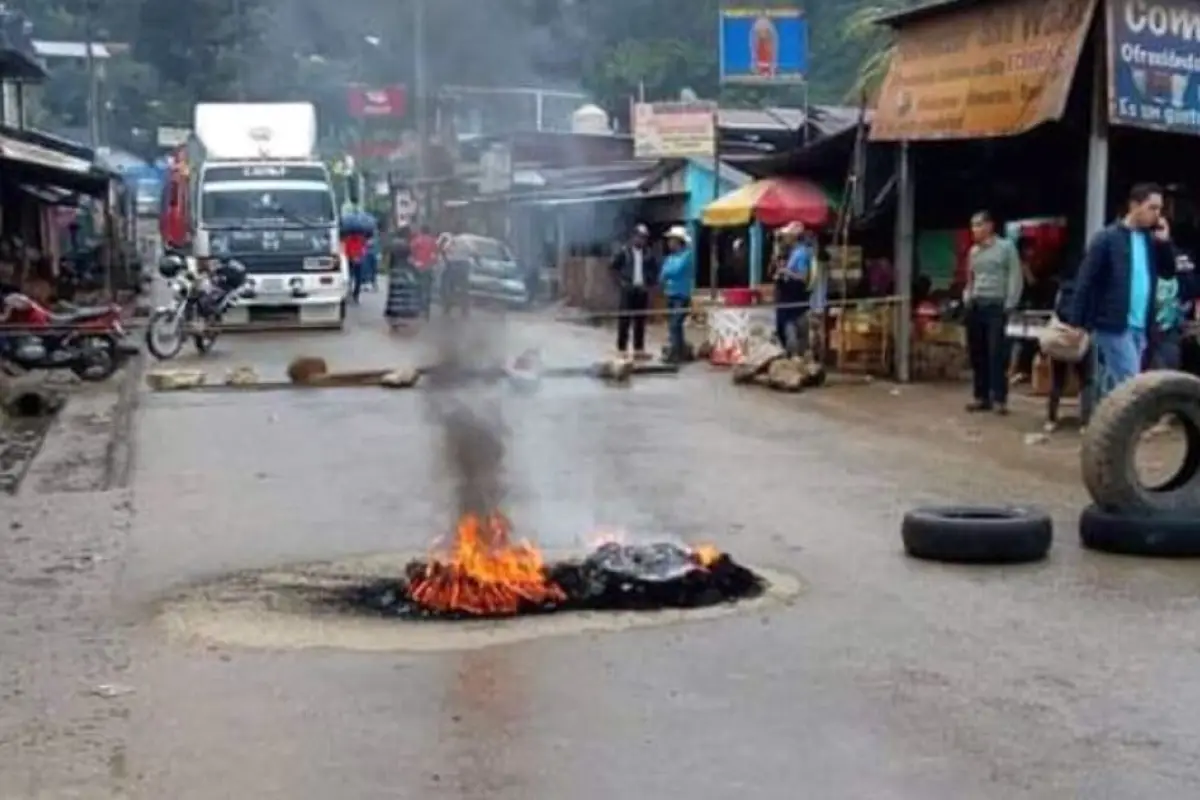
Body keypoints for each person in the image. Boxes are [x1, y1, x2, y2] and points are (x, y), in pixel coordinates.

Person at [1063, 183, 1177, 400]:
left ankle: (1105, 424)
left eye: (1159, 209)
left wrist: (1164, 243)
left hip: (1141, 324)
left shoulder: (1150, 240)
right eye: (1152, 208)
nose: (1157, 214)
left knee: (1114, 384)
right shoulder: (1107, 239)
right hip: (1113, 324)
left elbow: (1169, 272)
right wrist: (1076, 322)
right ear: (1134, 206)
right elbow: (1086, 281)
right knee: (1131, 382)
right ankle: (1131, 428)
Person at [964, 210, 1022, 414]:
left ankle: (999, 398)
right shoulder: (973, 252)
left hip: (997, 305)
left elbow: (1015, 276)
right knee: (977, 353)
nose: (975, 230)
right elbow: (970, 278)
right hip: (976, 304)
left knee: (996, 353)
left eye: (978, 225)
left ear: (990, 226)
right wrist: (967, 297)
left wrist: (1010, 303)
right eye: (972, 226)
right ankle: (981, 396)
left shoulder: (1006, 248)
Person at [1045, 275, 1093, 432]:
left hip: (1062, 336)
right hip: (1081, 336)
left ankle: (1051, 419)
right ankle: (1086, 421)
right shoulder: (1088, 288)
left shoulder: (1063, 289)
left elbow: (1056, 311)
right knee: (1086, 380)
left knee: (1058, 379)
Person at [610, 223, 658, 359]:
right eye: (639, 237)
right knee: (624, 320)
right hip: (628, 290)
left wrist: (650, 285)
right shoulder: (624, 251)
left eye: (644, 238)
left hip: (641, 290)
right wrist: (621, 283)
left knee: (640, 320)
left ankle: (639, 349)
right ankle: (621, 349)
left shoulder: (648, 254)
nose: (641, 240)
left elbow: (654, 271)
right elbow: (613, 268)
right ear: (633, 237)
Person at [773, 221, 813, 356]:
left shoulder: (801, 254)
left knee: (792, 330)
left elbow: (803, 277)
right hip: (789, 299)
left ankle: (795, 355)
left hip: (794, 300)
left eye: (787, 236)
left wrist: (785, 271)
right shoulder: (794, 252)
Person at [659, 225, 695, 363]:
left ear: (679, 241)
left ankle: (676, 353)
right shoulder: (670, 257)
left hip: (682, 296)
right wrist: (667, 272)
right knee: (673, 326)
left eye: (671, 240)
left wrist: (668, 272)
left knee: (675, 324)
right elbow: (662, 275)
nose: (669, 243)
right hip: (670, 294)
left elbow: (674, 271)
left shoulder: (687, 256)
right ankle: (679, 351)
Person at [410, 225, 438, 316]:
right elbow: (435, 255)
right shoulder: (433, 241)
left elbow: (411, 251)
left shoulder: (417, 240)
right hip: (428, 267)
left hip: (418, 266)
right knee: (427, 288)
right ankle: (425, 308)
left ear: (421, 231)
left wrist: (414, 262)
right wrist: (432, 264)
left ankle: (418, 307)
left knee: (417, 287)